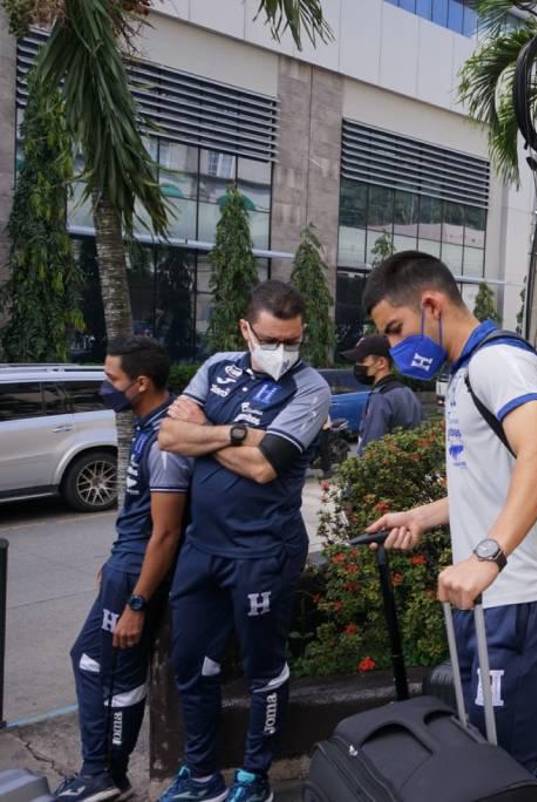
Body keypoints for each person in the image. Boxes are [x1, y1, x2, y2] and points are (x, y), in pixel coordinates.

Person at [363, 251, 537, 779]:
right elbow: (490, 484)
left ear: (432, 305)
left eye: (395, 330)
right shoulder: (464, 372)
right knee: (491, 752)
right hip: (493, 597)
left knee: (506, 763)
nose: (392, 349)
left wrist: (488, 555)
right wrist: (419, 516)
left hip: (521, 594)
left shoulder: (498, 362)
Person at [155, 280, 331, 802]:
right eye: (272, 340)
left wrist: (206, 429)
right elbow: (169, 434)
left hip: (263, 551)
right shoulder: (217, 366)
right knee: (191, 665)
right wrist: (235, 433)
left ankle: (255, 779)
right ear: (245, 330)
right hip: (202, 548)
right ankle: (202, 775)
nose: (283, 352)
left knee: (263, 669)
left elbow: (262, 468)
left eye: (293, 341)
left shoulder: (310, 388)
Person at [53, 337, 192, 802]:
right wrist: (114, 564)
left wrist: (135, 600)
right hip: (127, 566)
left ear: (141, 383)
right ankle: (107, 773)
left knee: (100, 666)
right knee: (110, 668)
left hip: (137, 576)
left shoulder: (166, 439)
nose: (105, 386)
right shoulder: (149, 425)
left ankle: (101, 775)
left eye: (111, 378)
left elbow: (167, 532)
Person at [341, 333, 424, 454]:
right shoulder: (407, 392)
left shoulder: (380, 398)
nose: (357, 366)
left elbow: (370, 449)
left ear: (381, 363)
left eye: (361, 360)